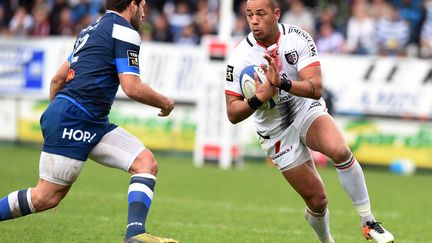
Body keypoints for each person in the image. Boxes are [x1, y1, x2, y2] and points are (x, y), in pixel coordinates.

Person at [0, 1, 178, 243]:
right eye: (143, 4)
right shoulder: (125, 31)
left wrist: (59, 115)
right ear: (133, 5)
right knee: (45, 198)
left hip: (89, 120)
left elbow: (57, 80)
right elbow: (132, 86)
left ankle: (135, 234)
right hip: (77, 117)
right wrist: (165, 102)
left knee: (146, 163)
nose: (145, 12)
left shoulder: (90, 30)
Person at [224, 0, 395, 242]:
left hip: (304, 108)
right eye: (249, 14)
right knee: (317, 200)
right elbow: (232, 113)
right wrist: (259, 97)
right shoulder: (239, 57)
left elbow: (316, 89)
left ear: (276, 14)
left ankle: (368, 222)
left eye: (260, 14)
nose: (254, 20)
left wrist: (282, 83)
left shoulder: (297, 38)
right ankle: (326, 241)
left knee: (339, 150)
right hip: (275, 131)